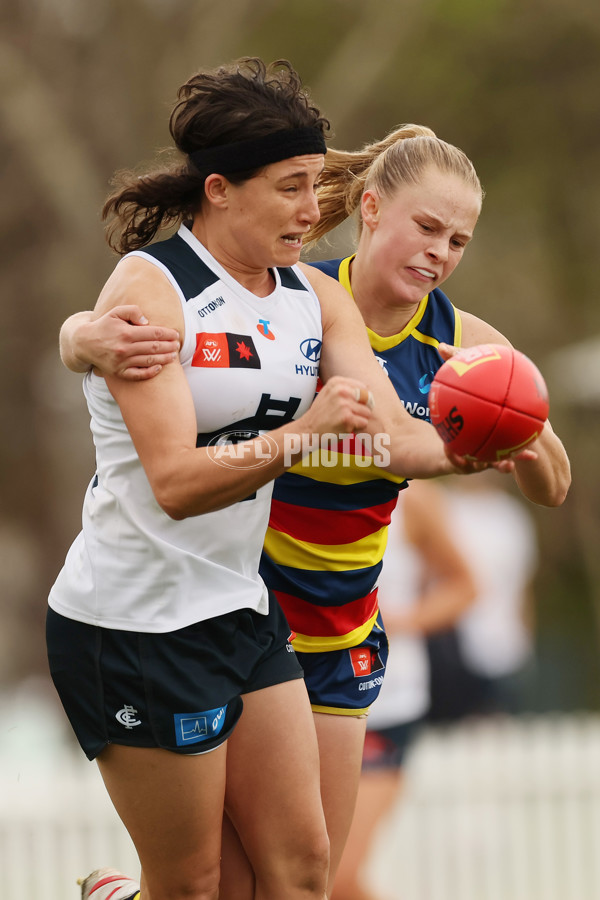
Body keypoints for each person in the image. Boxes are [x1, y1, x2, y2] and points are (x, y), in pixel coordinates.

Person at [59, 118, 571, 898]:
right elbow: (190, 334)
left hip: (339, 630)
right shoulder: (301, 295)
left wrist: (520, 432)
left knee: (308, 880)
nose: (440, 253)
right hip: (242, 613)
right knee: (221, 884)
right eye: (427, 228)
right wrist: (79, 336)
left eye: (458, 241)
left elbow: (547, 481)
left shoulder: (462, 351)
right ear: (370, 210)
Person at [330, 478, 477, 900]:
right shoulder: (286, 473)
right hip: (300, 701)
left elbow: (465, 585)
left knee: (336, 877)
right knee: (286, 874)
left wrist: (391, 623)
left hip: (387, 704)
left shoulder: (415, 496)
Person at [426, 470, 540, 722]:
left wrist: (524, 644)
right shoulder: (440, 506)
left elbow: (523, 587)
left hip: (505, 653)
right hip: (451, 656)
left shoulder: (512, 516)